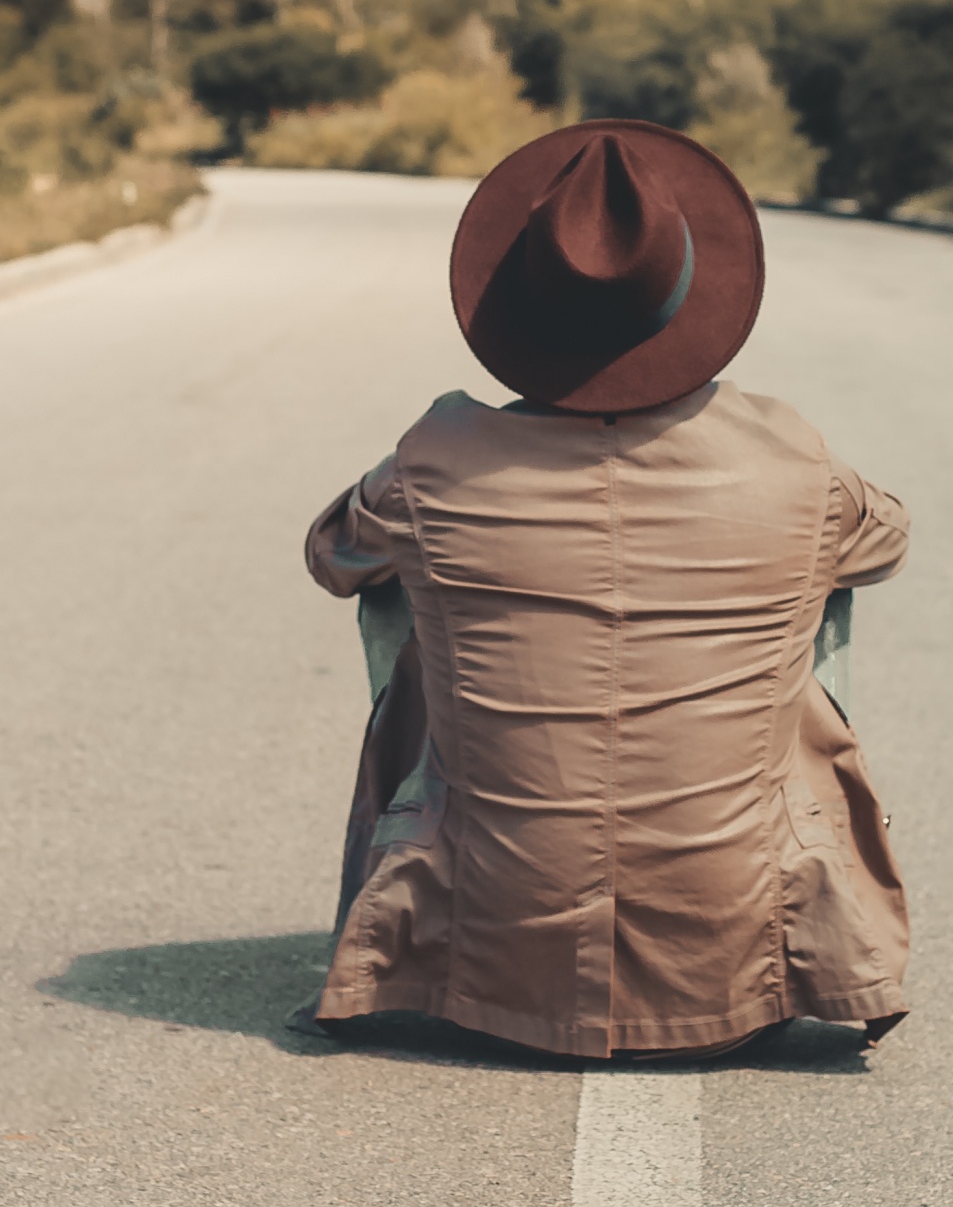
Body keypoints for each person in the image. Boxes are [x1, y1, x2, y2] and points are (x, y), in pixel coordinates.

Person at [302, 118, 910, 1060]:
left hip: (496, 964)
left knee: (398, 587)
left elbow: (331, 555)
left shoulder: (435, 460)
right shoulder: (792, 456)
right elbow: (890, 535)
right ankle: (796, 886)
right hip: (731, 966)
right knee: (822, 583)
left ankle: (428, 871)